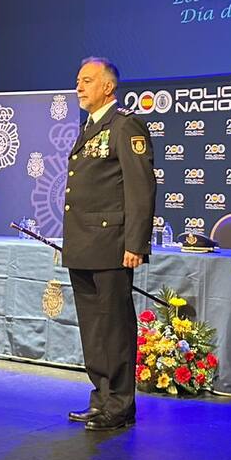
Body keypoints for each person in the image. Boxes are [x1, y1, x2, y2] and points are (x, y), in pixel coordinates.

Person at [62, 57, 156, 431]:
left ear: (107, 87)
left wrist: (135, 243)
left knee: (114, 327)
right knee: (93, 329)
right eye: (78, 81)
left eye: (86, 81)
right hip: (83, 245)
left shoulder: (124, 124)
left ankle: (119, 404)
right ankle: (101, 398)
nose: (79, 87)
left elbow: (140, 188)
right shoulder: (89, 127)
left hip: (112, 244)